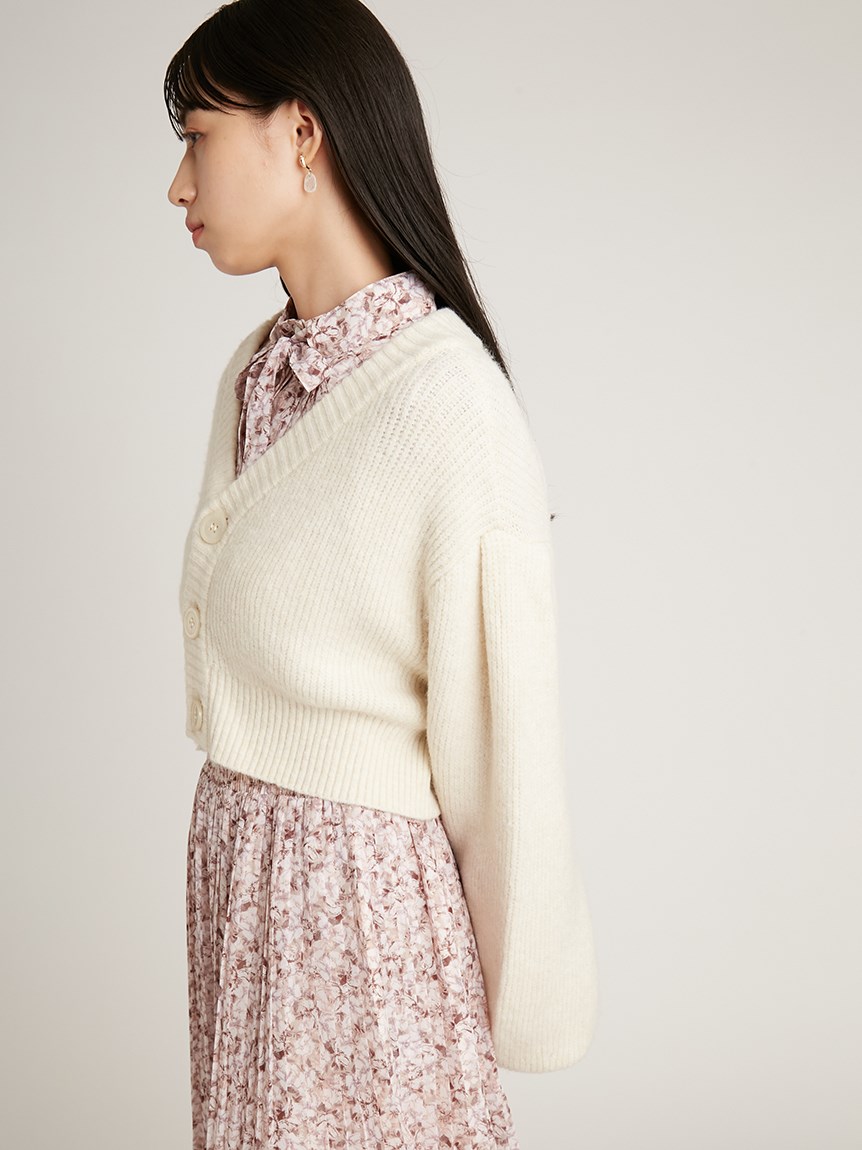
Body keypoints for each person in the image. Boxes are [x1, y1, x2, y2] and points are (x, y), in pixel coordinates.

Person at [164, 0, 598, 1146]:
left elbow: (504, 743)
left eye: (197, 136)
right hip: (247, 898)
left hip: (353, 924)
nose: (177, 185)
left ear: (301, 132)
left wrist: (531, 1002)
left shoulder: (447, 406)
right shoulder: (254, 376)